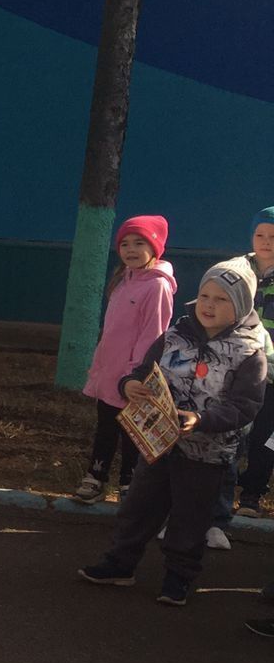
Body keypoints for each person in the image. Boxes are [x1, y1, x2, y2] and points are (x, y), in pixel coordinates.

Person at [78, 258, 267, 605]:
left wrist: (202, 420)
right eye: (205, 295)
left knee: (190, 518)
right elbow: (144, 370)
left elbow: (245, 406)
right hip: (158, 442)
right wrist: (130, 384)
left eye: (222, 299)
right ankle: (120, 563)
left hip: (206, 454)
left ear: (241, 305)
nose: (209, 305)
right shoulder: (176, 333)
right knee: (139, 506)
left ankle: (179, 577)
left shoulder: (250, 351)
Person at [72, 216, 175, 505]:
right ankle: (96, 477)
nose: (130, 249)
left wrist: (134, 375)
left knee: (133, 432)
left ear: (155, 247)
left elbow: (153, 335)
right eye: (125, 244)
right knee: (105, 427)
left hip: (131, 379)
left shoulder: (157, 287)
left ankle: (130, 484)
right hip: (110, 374)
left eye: (139, 243)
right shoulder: (123, 279)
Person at [233, 206, 274, 514]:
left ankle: (253, 492)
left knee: (265, 436)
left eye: (273, 236)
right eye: (260, 234)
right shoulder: (237, 271)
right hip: (236, 368)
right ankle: (221, 485)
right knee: (231, 428)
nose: (266, 241)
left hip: (271, 375)